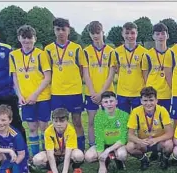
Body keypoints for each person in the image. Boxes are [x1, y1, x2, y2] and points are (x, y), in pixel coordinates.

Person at [44, 18, 87, 152]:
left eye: (64, 29)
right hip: (57, 92)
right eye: (58, 29)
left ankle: (80, 150)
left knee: (77, 122)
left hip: (74, 92)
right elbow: (48, 70)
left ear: (69, 30)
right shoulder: (48, 49)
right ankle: (58, 150)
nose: (61, 32)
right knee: (58, 123)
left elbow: (81, 69)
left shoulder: (76, 48)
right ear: (54, 30)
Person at [10, 25, 52, 157]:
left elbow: (47, 77)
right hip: (26, 99)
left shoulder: (41, 54)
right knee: (32, 128)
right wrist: (19, 95)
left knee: (44, 128)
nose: (27, 43)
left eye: (29, 40)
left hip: (42, 97)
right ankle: (35, 157)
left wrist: (35, 94)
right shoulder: (13, 55)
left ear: (35, 39)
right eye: (24, 40)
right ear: (19, 39)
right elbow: (15, 78)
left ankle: (47, 156)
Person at [84, 91, 129, 173]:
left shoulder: (124, 115)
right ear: (102, 104)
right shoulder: (99, 117)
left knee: (122, 155)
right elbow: (99, 140)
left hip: (117, 145)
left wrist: (108, 151)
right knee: (88, 157)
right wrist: (102, 165)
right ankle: (107, 160)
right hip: (103, 145)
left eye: (111, 101)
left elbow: (123, 139)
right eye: (106, 102)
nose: (109, 104)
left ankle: (117, 160)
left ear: (116, 102)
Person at [83, 21, 115, 149]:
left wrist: (101, 93)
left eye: (98, 32)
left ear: (103, 33)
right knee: (92, 121)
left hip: (107, 93)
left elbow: (111, 74)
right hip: (91, 94)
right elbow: (86, 74)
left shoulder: (111, 51)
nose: (96, 36)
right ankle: (92, 145)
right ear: (90, 35)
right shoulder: (85, 52)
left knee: (109, 122)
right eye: (93, 33)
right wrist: (93, 93)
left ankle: (110, 146)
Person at [32, 108, 85, 173]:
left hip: (66, 154)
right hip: (54, 154)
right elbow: (50, 154)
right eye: (55, 121)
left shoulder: (71, 130)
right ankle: (51, 170)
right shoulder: (48, 131)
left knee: (79, 155)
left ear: (67, 121)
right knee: (37, 159)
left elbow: (68, 153)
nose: (58, 124)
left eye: (62, 121)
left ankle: (76, 167)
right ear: (52, 121)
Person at [103, 22, 147, 113]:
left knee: (139, 123)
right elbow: (111, 75)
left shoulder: (144, 52)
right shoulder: (116, 52)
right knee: (123, 123)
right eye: (127, 33)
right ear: (122, 34)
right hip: (122, 94)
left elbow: (146, 75)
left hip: (139, 93)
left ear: (137, 34)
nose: (130, 36)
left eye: (132, 33)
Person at [126, 87, 174, 170]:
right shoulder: (136, 112)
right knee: (130, 147)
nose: (148, 103)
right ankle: (144, 160)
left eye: (151, 100)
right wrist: (140, 141)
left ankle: (164, 160)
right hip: (144, 143)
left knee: (169, 144)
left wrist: (156, 140)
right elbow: (130, 135)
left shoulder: (162, 111)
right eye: (145, 100)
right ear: (141, 101)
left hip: (158, 142)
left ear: (156, 100)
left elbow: (170, 133)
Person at [142, 23, 172, 111]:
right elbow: (145, 76)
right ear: (153, 36)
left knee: (165, 120)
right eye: (157, 34)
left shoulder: (172, 53)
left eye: (163, 34)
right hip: (152, 94)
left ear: (167, 36)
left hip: (167, 93)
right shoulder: (147, 55)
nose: (160, 36)